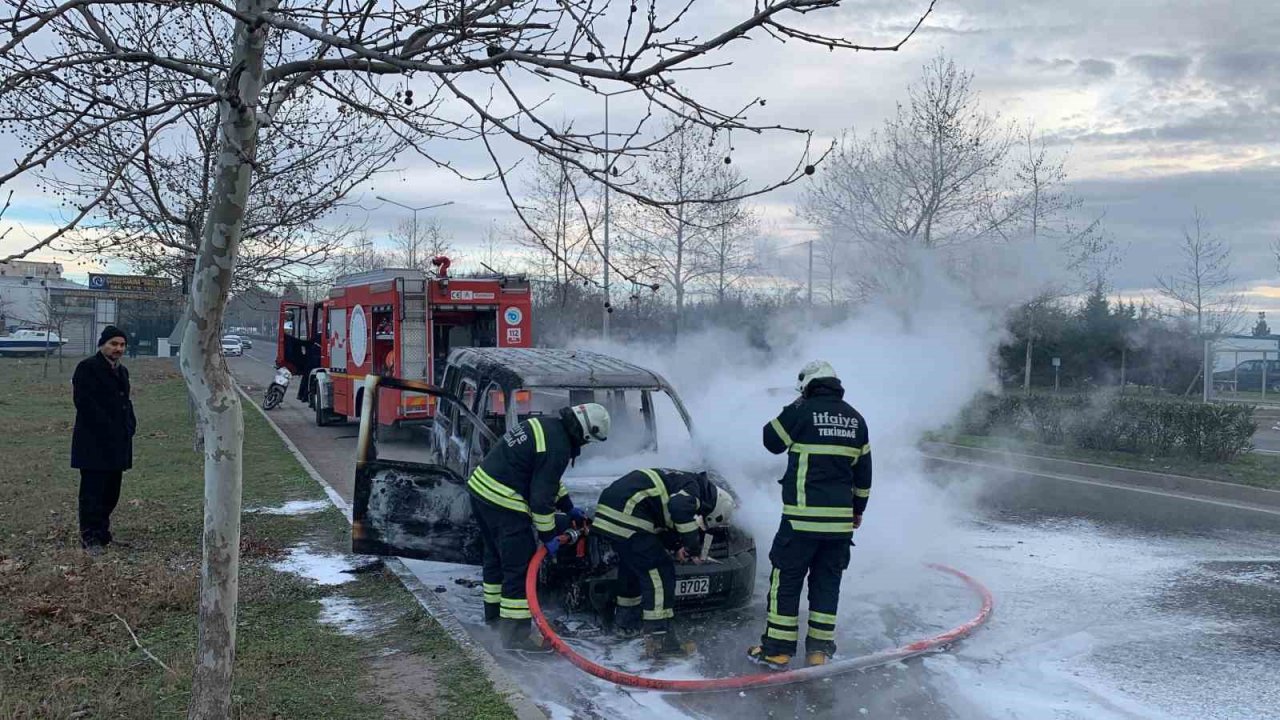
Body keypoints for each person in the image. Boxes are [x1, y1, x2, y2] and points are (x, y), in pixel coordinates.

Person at [747, 360, 871, 670]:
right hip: (839, 525)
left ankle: (777, 650)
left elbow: (770, 440)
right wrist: (857, 511)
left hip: (800, 521)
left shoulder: (801, 411)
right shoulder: (856, 419)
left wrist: (796, 404)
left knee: (786, 582)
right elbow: (864, 475)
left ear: (806, 386)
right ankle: (818, 652)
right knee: (827, 584)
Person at [466, 402, 611, 650]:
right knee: (519, 568)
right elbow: (541, 501)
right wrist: (549, 537)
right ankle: (515, 638)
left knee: (495, 560)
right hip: (504, 501)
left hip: (481, 491)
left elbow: (547, 478)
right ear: (586, 434)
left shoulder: (549, 427)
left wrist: (568, 507)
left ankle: (495, 621)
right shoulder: (559, 447)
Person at [591, 468, 736, 658]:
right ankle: (660, 642)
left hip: (612, 515)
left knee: (632, 569)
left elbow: (661, 520)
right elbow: (678, 507)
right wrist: (692, 548)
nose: (698, 519)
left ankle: (626, 625)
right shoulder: (694, 489)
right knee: (660, 573)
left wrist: (677, 547)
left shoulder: (683, 482)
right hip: (628, 515)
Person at [71, 326, 138, 554]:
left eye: (122, 345)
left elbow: (125, 402)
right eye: (113, 344)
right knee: (93, 492)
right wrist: (107, 427)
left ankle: (103, 534)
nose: (118, 348)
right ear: (102, 345)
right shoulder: (87, 367)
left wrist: (130, 425)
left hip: (118, 442)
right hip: (94, 442)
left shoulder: (122, 371)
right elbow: (84, 402)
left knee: (111, 492)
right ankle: (90, 537)